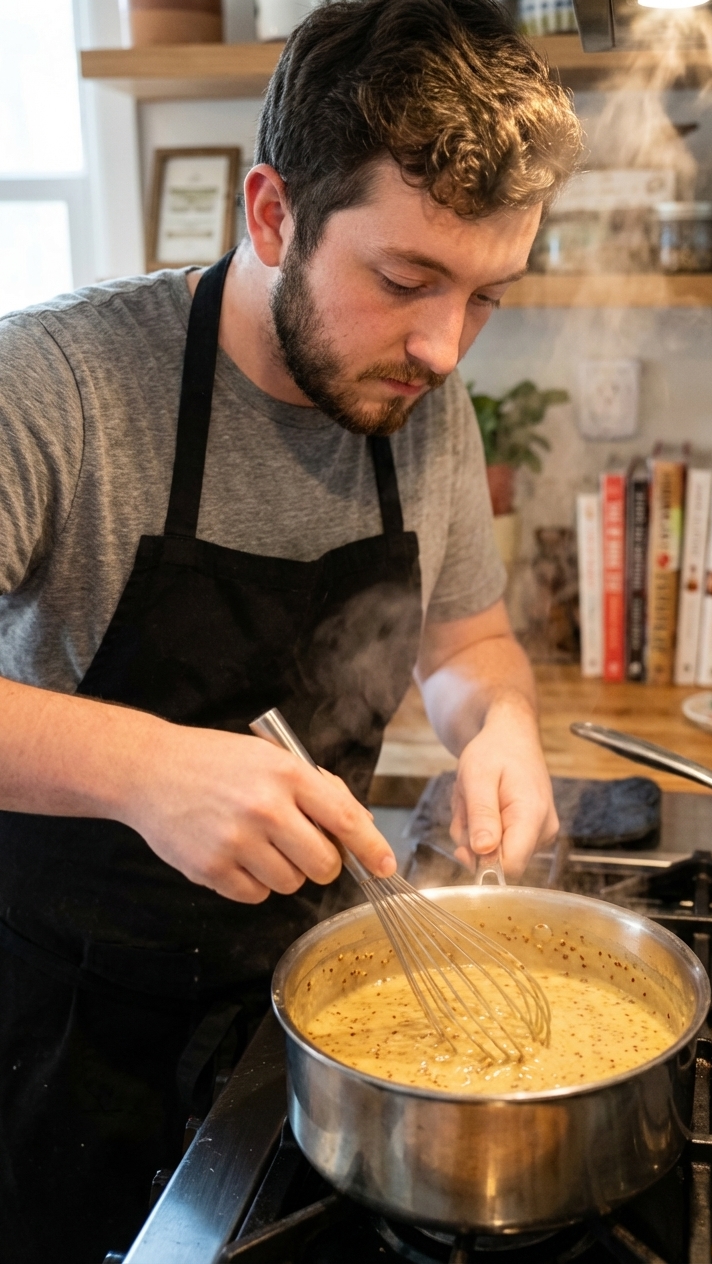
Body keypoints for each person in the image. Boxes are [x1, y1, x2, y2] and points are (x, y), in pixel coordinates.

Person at [0, 0, 581, 1258]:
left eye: (487, 295)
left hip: (303, 1026)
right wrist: (146, 768)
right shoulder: (54, 386)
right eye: (406, 280)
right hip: (51, 1037)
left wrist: (502, 727)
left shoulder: (424, 408)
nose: (443, 344)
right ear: (272, 214)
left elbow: (469, 646)